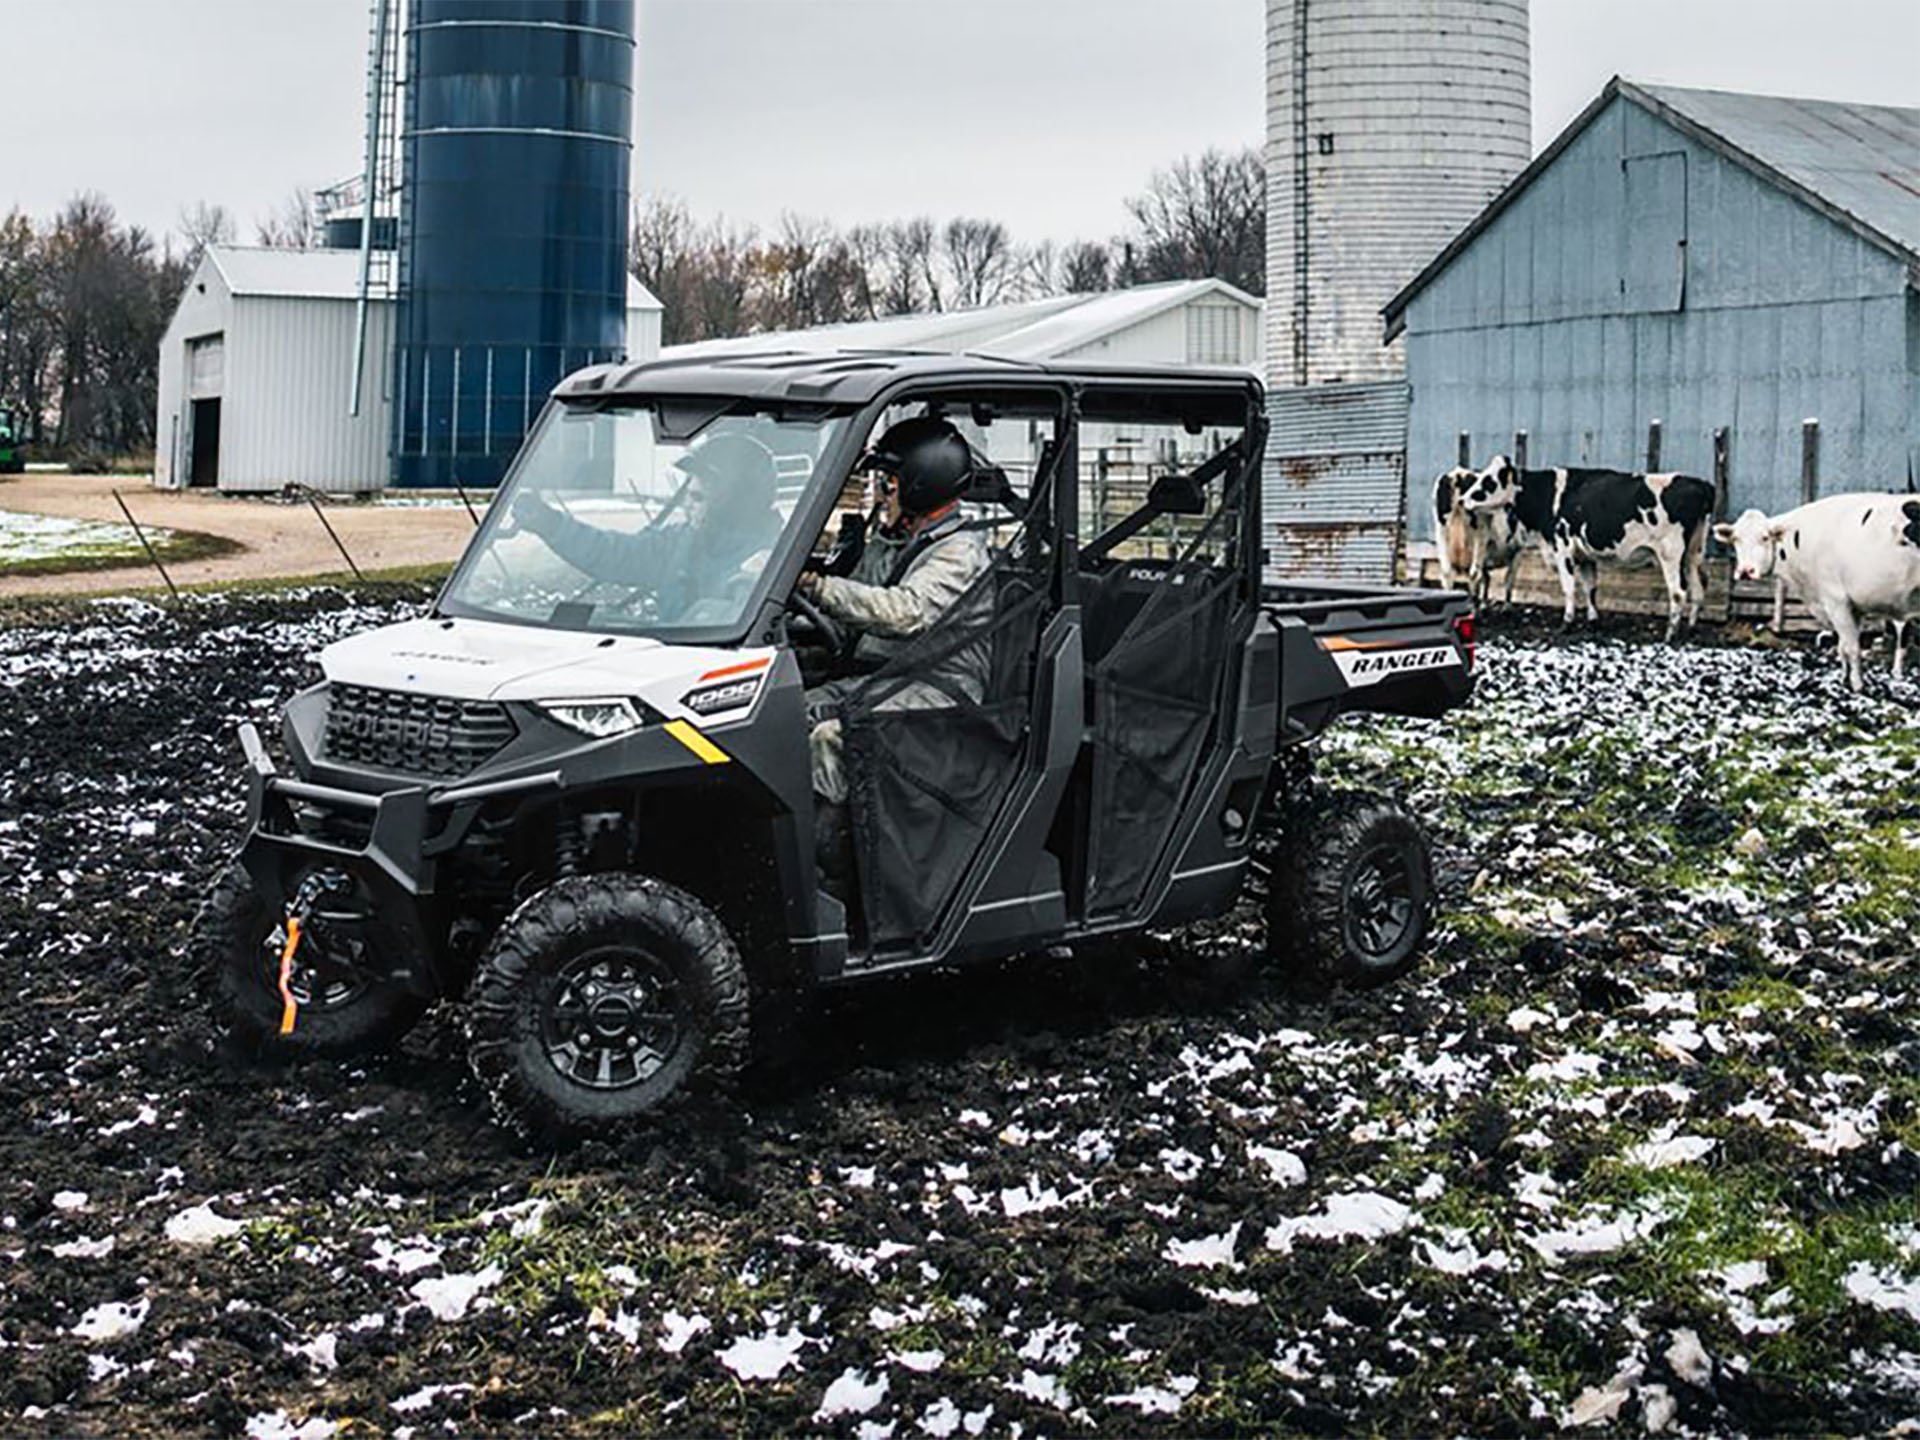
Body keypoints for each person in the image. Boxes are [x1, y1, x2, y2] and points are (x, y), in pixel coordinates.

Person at [798, 416, 994, 884]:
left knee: (832, 738)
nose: (879, 492)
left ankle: (839, 870)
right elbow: (856, 596)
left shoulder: (959, 552)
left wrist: (819, 587)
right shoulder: (896, 538)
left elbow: (905, 612)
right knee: (788, 712)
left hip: (942, 690)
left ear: (921, 485)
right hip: (891, 676)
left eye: (887, 482)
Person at [511, 431, 782, 622]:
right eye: (686, 494)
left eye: (698, 497)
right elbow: (616, 554)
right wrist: (550, 524)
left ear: (733, 503)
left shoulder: (775, 564)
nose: (686, 505)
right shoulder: (681, 542)